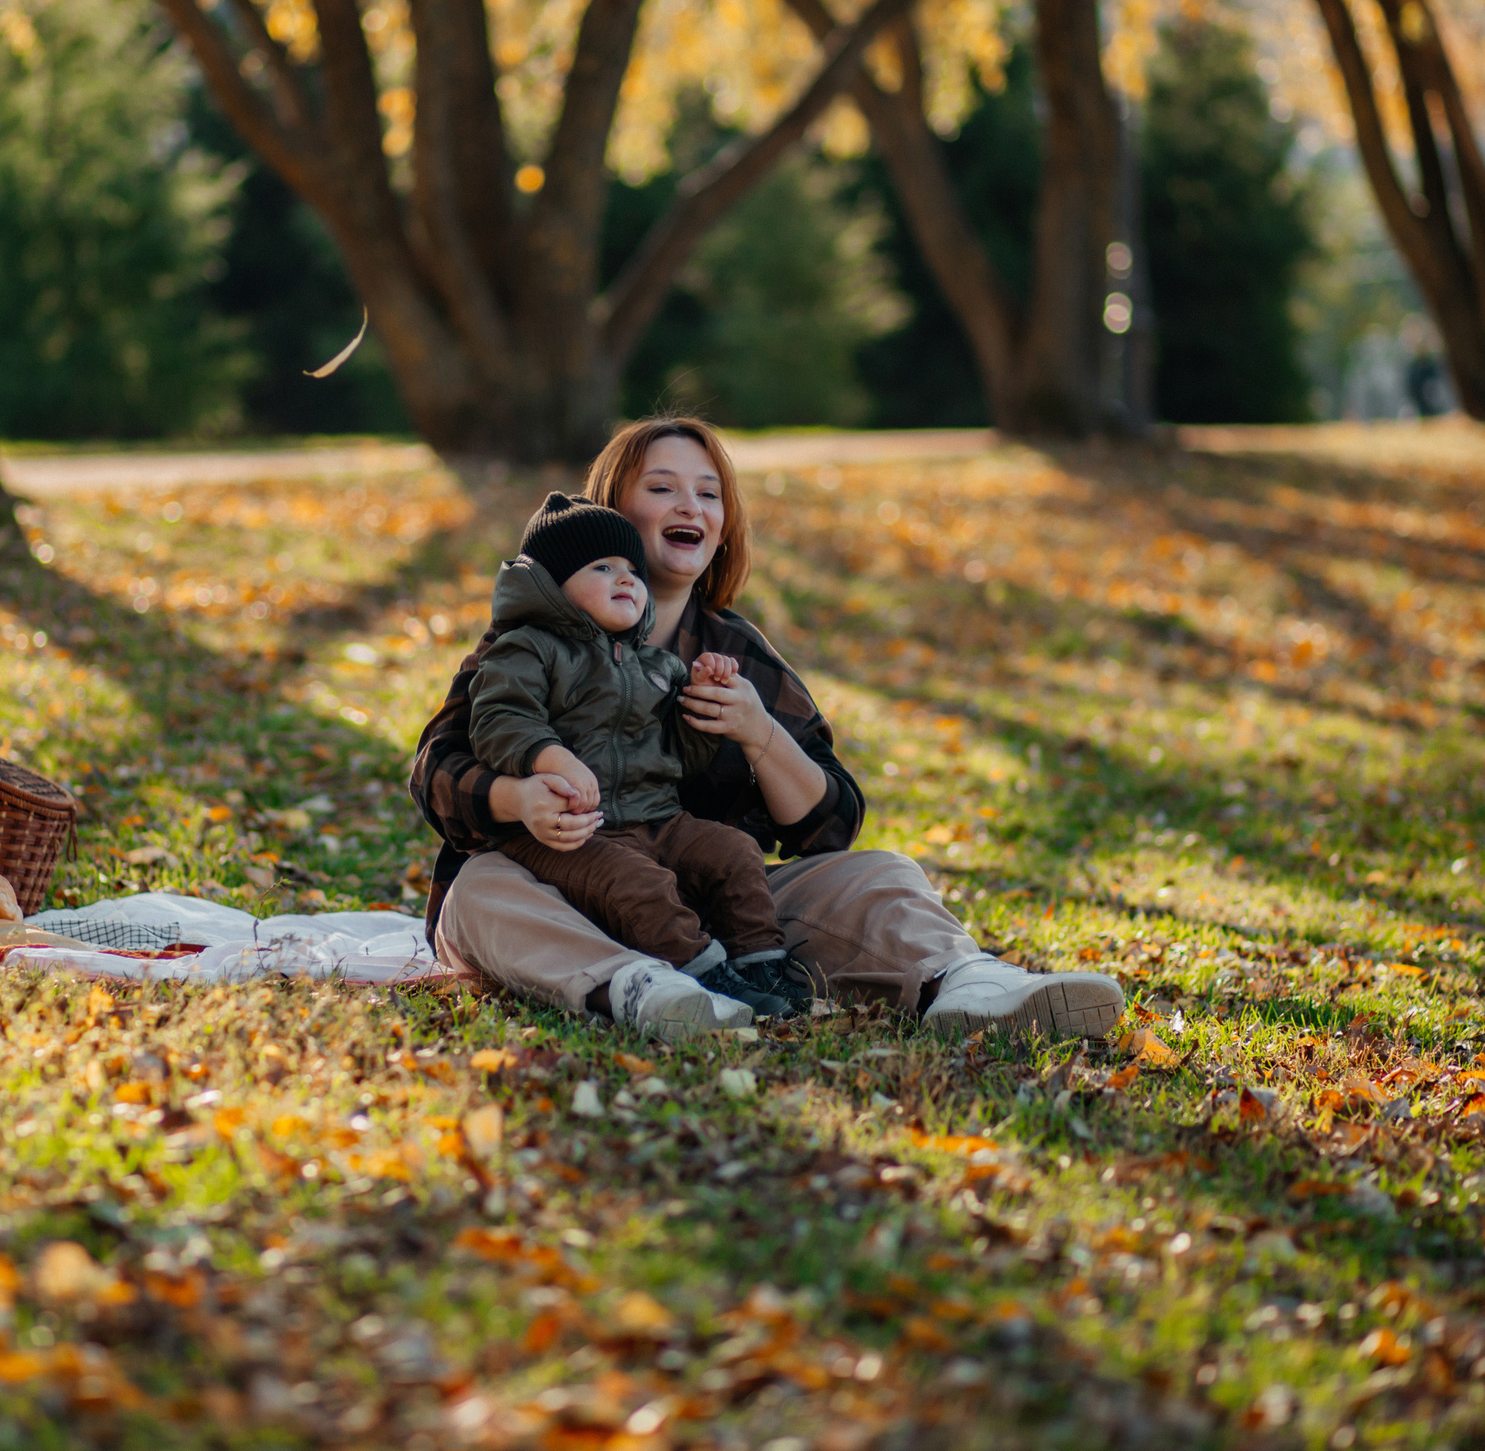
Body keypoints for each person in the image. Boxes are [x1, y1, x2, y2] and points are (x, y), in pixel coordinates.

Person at [410, 415, 1127, 1041]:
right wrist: (519, 797)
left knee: (884, 872)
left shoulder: (734, 652)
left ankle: (963, 982)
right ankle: (640, 990)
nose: (690, 503)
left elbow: (830, 829)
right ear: (611, 515)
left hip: (720, 918)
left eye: (709, 492)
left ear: (723, 528)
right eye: (661, 488)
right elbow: (436, 772)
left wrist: (760, 733)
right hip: (566, 902)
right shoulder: (533, 638)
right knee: (481, 890)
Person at [469, 493, 805, 1030]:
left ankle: (760, 964)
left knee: (733, 853)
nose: (625, 578)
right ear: (552, 585)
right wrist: (549, 758)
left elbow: (683, 758)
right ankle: (700, 976)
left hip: (657, 817)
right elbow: (500, 718)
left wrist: (697, 704)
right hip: (578, 831)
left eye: (632, 569)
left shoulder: (657, 664)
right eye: (602, 567)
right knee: (638, 883)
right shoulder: (527, 648)